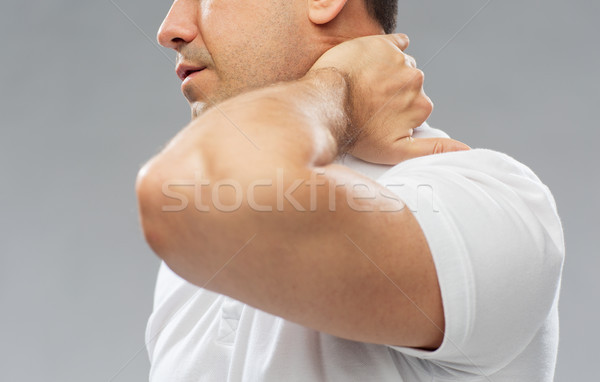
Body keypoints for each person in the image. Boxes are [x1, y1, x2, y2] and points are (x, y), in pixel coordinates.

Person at [136, 0, 565, 381]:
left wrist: (339, 86)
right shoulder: (204, 243)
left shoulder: (483, 200)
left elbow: (191, 185)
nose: (170, 28)